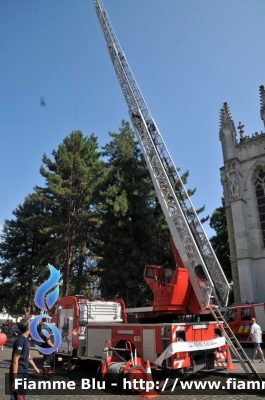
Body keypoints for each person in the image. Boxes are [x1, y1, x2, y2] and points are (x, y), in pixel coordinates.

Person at [10, 318, 40, 400]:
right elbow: (15, 361)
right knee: (19, 397)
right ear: (27, 327)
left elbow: (27, 355)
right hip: (19, 372)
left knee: (20, 396)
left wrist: (35, 367)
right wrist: (15, 381)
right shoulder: (20, 341)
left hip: (24, 371)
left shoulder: (26, 339)